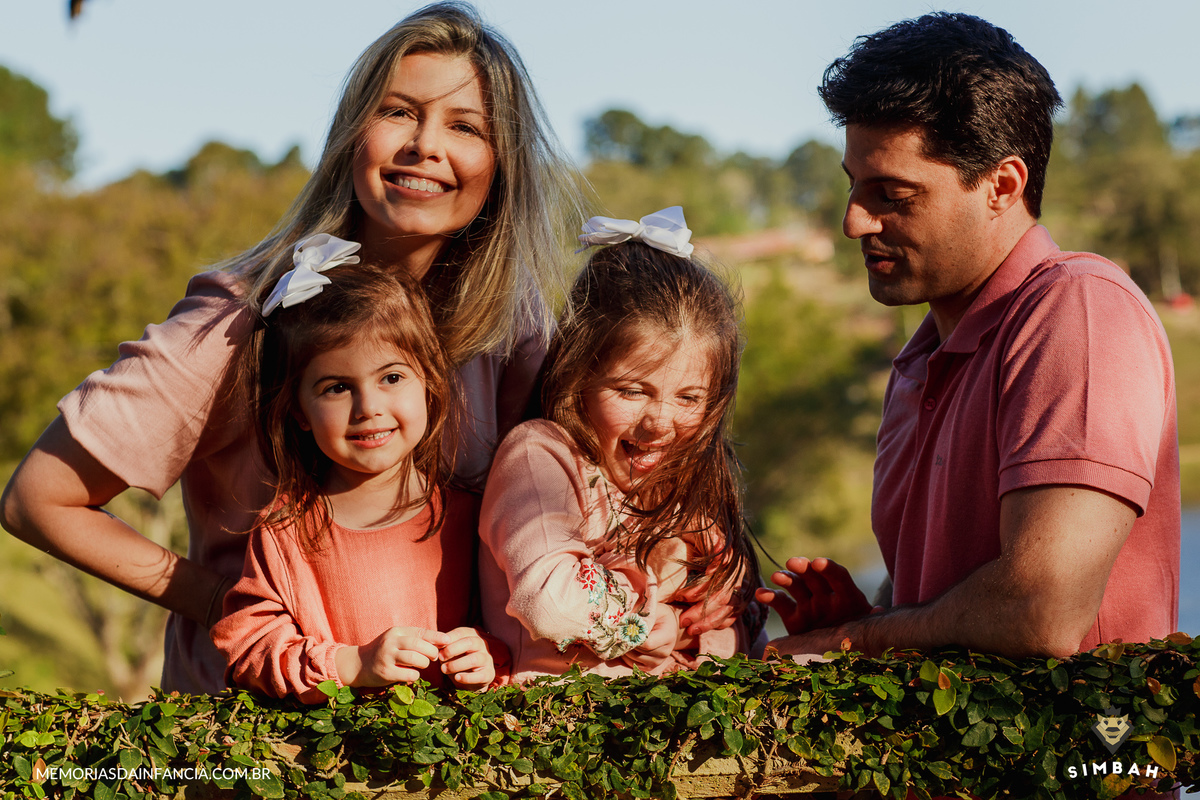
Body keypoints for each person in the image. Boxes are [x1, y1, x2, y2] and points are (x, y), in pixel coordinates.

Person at [0, 1, 582, 694]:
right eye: (398, 112)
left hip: (440, 762)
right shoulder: (243, 317)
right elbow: (39, 500)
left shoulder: (508, 329)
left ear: (502, 164)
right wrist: (235, 606)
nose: (425, 145)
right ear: (351, 133)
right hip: (257, 750)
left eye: (464, 126)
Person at [760, 13, 1180, 662]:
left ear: (1001, 186)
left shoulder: (1081, 310)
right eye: (853, 186)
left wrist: (857, 639)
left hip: (1097, 760)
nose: (853, 222)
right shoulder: (918, 365)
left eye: (891, 194)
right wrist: (876, 619)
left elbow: (1040, 611)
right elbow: (957, 625)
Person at [479, 208, 766, 683]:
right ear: (578, 375)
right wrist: (650, 619)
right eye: (632, 391)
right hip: (559, 731)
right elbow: (550, 601)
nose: (659, 422)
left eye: (689, 398)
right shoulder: (541, 457)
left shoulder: (687, 478)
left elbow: (735, 620)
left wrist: (692, 627)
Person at [211, 249, 499, 702]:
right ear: (299, 412)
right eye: (337, 388)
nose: (369, 409)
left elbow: (516, 637)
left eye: (392, 377)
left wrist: (488, 656)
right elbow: (249, 648)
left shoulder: (476, 517)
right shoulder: (285, 530)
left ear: (428, 383)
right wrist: (354, 663)